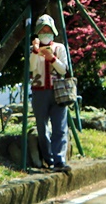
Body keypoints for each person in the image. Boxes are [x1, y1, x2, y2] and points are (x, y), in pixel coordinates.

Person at [30, 13, 71, 171]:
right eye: (42, 30)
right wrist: (35, 51)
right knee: (42, 126)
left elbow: (63, 69)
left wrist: (52, 58)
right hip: (39, 91)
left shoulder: (59, 48)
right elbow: (32, 68)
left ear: (53, 31)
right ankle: (49, 159)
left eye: (48, 29)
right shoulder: (32, 50)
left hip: (58, 91)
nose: (45, 32)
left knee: (60, 126)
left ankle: (60, 160)